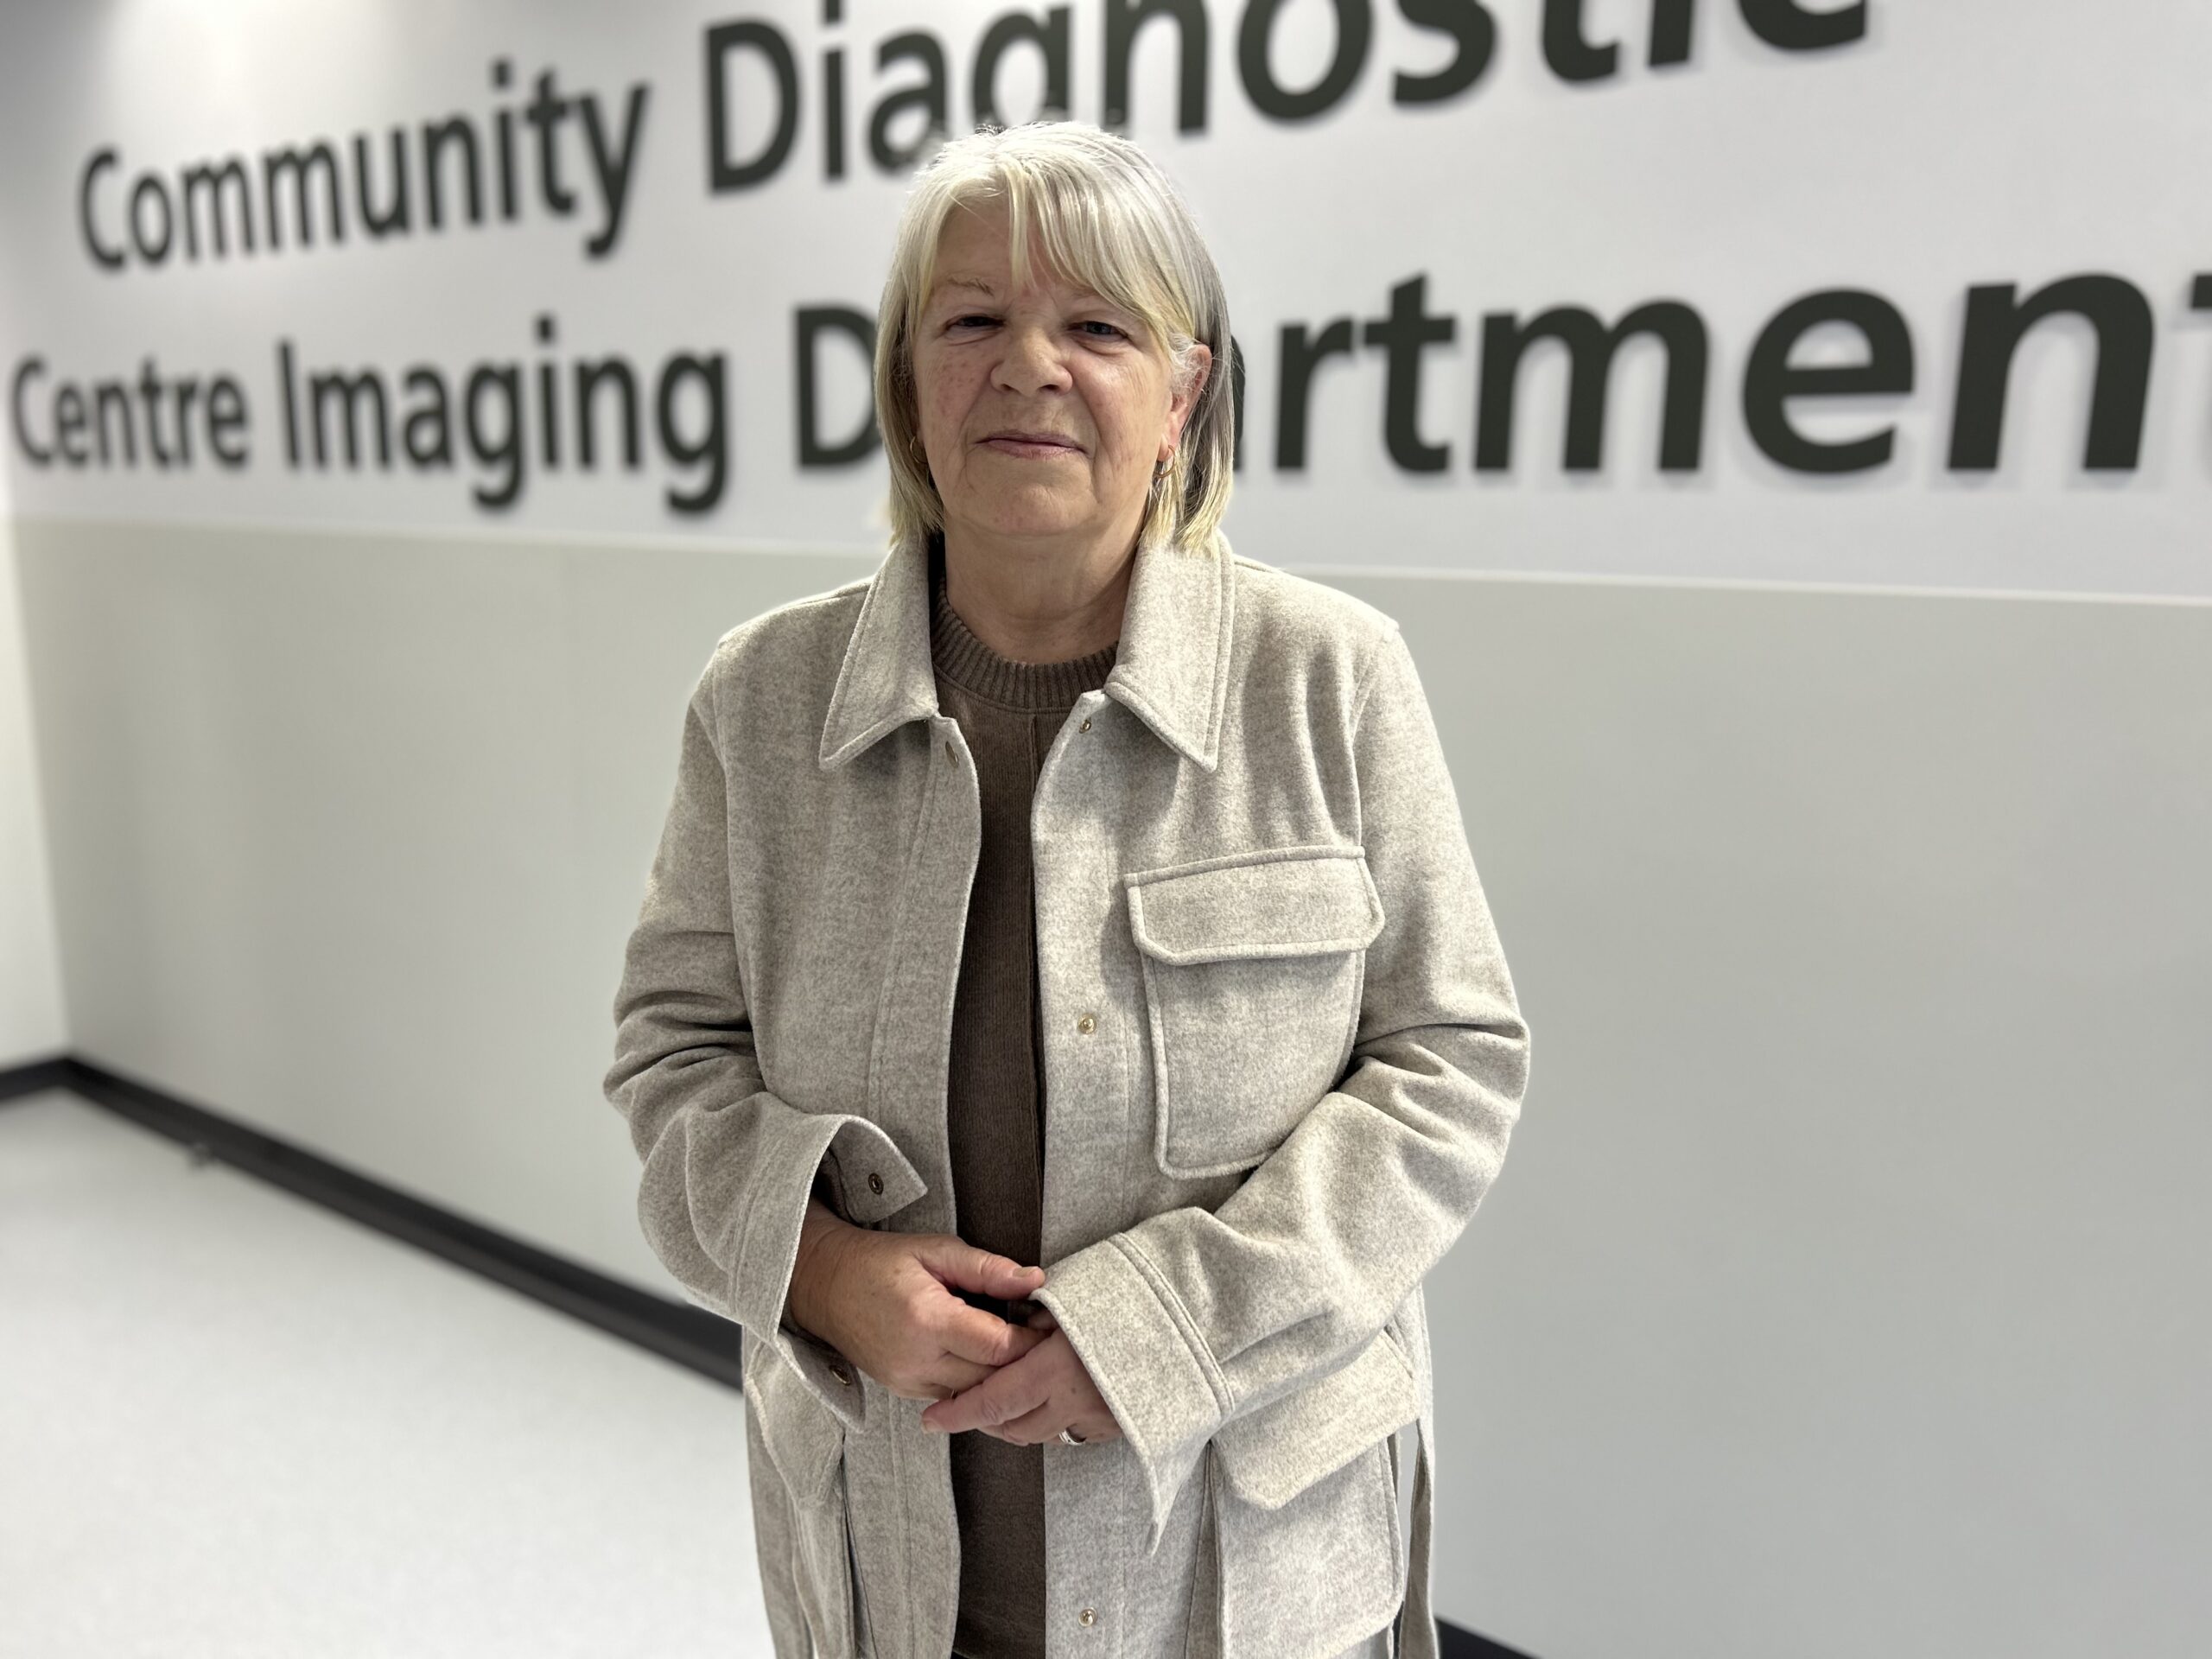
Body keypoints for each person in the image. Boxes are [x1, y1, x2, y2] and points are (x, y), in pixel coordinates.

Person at [604, 118, 1531, 1659]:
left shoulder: (1330, 679)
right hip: (890, 1557)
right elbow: (670, 1060)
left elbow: (1453, 1068)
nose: (1030, 364)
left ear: (1185, 392)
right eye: (972, 321)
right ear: (909, 381)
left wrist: (1169, 1329)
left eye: (1097, 325)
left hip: (1244, 1561)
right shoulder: (761, 705)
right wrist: (825, 1273)